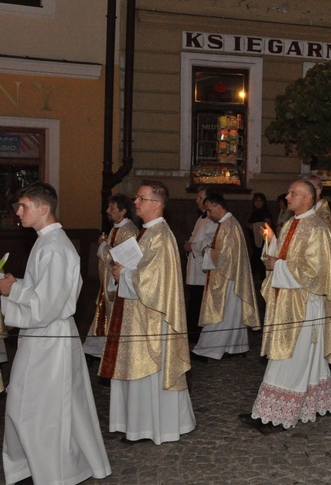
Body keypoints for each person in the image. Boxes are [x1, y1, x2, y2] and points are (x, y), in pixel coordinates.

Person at [0, 182, 111, 484]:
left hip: (50, 338)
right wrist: (16, 285)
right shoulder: (45, 241)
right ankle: (32, 465)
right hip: (42, 337)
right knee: (35, 404)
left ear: (43, 208)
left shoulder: (56, 247)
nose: (18, 212)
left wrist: (13, 289)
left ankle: (52, 470)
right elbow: (44, 291)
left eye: (24, 206)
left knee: (41, 406)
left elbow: (47, 306)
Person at [239, 180, 331, 432]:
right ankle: (314, 403)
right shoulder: (291, 223)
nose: (287, 196)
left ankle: (274, 415)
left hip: (305, 303)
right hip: (287, 299)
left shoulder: (317, 229)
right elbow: (282, 257)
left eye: (293, 193)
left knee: (290, 356)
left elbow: (317, 273)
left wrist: (279, 265)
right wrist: (272, 242)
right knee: (306, 355)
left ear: (308, 198)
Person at [101, 180, 196, 444]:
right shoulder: (145, 233)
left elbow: (154, 281)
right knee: (135, 367)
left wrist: (125, 274)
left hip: (152, 320)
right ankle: (136, 424)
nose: (136, 203)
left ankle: (152, 427)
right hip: (138, 314)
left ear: (157, 204)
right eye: (136, 198)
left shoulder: (161, 235)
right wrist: (122, 271)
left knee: (149, 369)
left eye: (141, 198)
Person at [192, 193, 260, 360]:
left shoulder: (229, 225)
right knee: (232, 314)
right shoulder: (228, 224)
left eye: (209, 210)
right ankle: (235, 347)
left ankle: (207, 349)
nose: (208, 214)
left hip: (226, 277)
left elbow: (225, 257)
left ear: (218, 206)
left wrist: (207, 251)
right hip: (230, 276)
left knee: (219, 314)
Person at [84, 193, 138, 361]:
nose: (108, 210)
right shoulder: (116, 229)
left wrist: (102, 245)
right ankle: (94, 350)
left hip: (118, 284)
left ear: (123, 211)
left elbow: (117, 258)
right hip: (107, 283)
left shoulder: (129, 232)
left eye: (112, 208)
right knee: (103, 315)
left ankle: (110, 354)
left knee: (114, 317)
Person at [183, 187, 217, 343]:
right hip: (195, 264)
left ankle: (197, 334)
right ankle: (192, 332)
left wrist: (193, 247)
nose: (197, 200)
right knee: (194, 299)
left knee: (199, 301)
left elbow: (211, 241)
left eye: (200, 197)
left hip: (202, 266)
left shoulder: (213, 219)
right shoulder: (201, 218)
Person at [246, 192, 274, 280]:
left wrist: (256, 226)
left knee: (259, 258)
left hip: (262, 240)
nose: (257, 203)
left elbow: (267, 224)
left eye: (259, 201)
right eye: (256, 201)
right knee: (256, 257)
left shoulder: (265, 212)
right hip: (253, 238)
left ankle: (262, 278)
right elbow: (247, 222)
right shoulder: (253, 212)